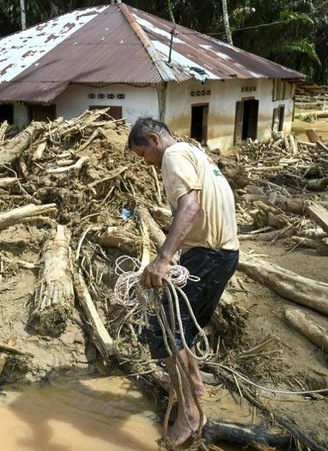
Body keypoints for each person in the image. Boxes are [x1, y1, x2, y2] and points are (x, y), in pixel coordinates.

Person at [127, 117, 240, 447]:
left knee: (164, 333)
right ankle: (193, 380)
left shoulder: (174, 156)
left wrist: (163, 259)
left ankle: (190, 414)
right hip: (221, 255)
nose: (145, 162)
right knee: (181, 328)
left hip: (209, 256)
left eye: (142, 154)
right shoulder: (194, 152)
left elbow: (190, 206)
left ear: (153, 140)